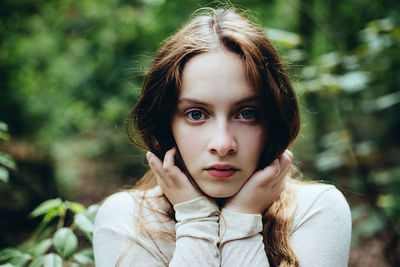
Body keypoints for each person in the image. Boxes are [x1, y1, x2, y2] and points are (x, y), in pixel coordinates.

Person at [93, 8, 351, 267]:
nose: (223, 144)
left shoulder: (315, 210)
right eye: (196, 114)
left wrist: (242, 221)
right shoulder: (127, 219)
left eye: (247, 113)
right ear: (165, 123)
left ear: (273, 120)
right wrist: (195, 220)